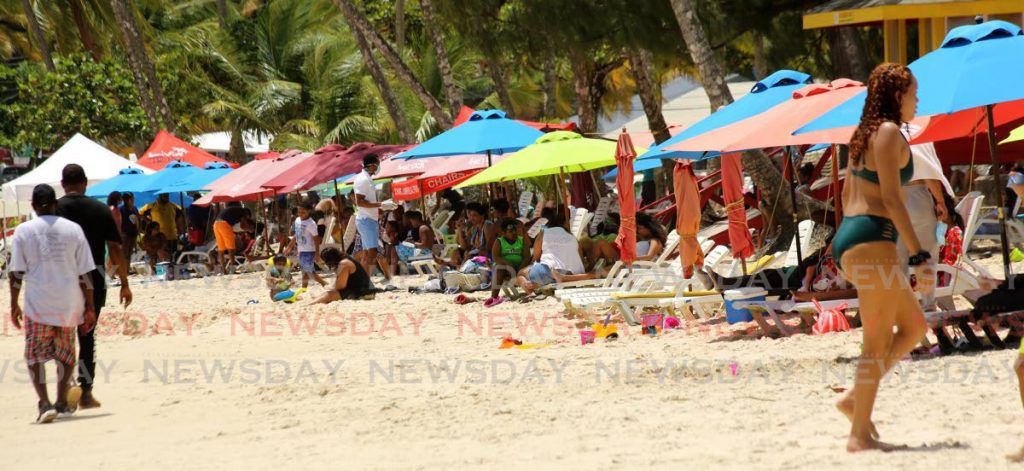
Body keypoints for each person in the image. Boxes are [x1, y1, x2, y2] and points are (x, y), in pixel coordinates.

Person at [830, 63, 932, 452]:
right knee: (875, 343)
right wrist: (920, 253)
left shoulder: (862, 134)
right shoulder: (888, 132)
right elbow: (892, 199)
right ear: (895, 96)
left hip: (854, 237)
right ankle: (858, 435)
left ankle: (854, 401)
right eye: (913, 93)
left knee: (914, 327)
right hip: (873, 239)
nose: (917, 100)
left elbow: (844, 195)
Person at [10, 184, 97, 423]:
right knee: (66, 355)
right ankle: (61, 401)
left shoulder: (23, 231)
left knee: (35, 357)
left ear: (34, 206)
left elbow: (16, 272)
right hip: (69, 304)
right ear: (55, 204)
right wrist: (89, 306)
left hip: (38, 305)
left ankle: (44, 402)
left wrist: (13, 303)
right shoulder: (73, 230)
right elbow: (86, 273)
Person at [57, 164, 132, 409]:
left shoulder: (53, 209)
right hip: (94, 276)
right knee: (87, 336)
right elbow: (117, 248)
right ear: (85, 182)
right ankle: (86, 393)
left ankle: (64, 390)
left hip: (61, 279)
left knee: (62, 337)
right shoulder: (100, 210)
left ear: (62, 183)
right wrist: (124, 283)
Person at [895, 137, 952, 311]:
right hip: (918, 197)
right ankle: (928, 304)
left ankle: (905, 306)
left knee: (899, 259)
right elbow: (929, 176)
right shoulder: (920, 138)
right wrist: (940, 202)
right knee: (928, 254)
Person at [519, 212, 593, 296]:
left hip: (550, 272)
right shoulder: (572, 236)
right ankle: (539, 285)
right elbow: (581, 259)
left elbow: (536, 258)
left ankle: (531, 292)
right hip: (574, 274)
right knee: (549, 273)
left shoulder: (544, 233)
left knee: (521, 273)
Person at [486, 218, 531, 307]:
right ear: (504, 233)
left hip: (519, 266)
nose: (514, 233)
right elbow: (496, 257)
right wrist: (507, 264)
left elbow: (527, 257)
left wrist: (519, 270)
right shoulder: (499, 241)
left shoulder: (522, 240)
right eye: (510, 231)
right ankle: (494, 297)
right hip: (504, 267)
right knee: (499, 269)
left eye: (515, 230)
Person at [353, 154, 383, 277]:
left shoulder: (367, 179)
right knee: (372, 252)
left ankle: (364, 280)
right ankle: (367, 280)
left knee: (367, 253)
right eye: (377, 165)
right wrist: (381, 205)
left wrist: (379, 207)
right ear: (371, 165)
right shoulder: (363, 179)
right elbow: (359, 201)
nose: (378, 168)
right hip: (366, 219)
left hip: (368, 219)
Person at [311, 247, 376, 303]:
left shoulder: (344, 264)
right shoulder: (346, 259)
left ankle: (309, 305)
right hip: (365, 289)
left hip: (364, 292)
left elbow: (340, 287)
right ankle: (311, 303)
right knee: (327, 294)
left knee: (328, 295)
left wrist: (331, 288)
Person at [285, 202, 326, 288]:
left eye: (303, 212)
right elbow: (296, 235)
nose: (300, 214)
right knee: (305, 271)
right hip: (301, 250)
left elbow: (316, 239)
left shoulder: (311, 224)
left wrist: (317, 254)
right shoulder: (297, 220)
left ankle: (322, 283)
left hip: (309, 250)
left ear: (309, 211)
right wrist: (289, 246)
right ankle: (305, 288)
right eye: (299, 212)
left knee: (308, 271)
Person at [139, 193, 184, 258]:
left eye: (168, 195)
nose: (167, 197)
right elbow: (140, 214)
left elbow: (180, 214)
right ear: (160, 195)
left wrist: (179, 227)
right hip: (159, 238)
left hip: (172, 236)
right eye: (165, 195)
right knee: (160, 257)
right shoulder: (152, 205)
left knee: (173, 257)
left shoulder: (173, 206)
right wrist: (148, 221)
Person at [213, 202, 247, 274]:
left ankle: (223, 270)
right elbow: (243, 225)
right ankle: (233, 269)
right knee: (231, 248)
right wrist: (247, 230)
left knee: (221, 249)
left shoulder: (232, 210)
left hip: (216, 224)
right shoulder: (243, 212)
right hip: (224, 224)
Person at [119, 192, 140, 264]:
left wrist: (138, 230)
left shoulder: (134, 208)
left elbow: (137, 219)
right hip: (125, 234)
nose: (133, 200)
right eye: (132, 199)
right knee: (124, 254)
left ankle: (126, 271)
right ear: (128, 200)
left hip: (133, 234)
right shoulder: (121, 209)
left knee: (129, 254)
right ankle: (123, 271)